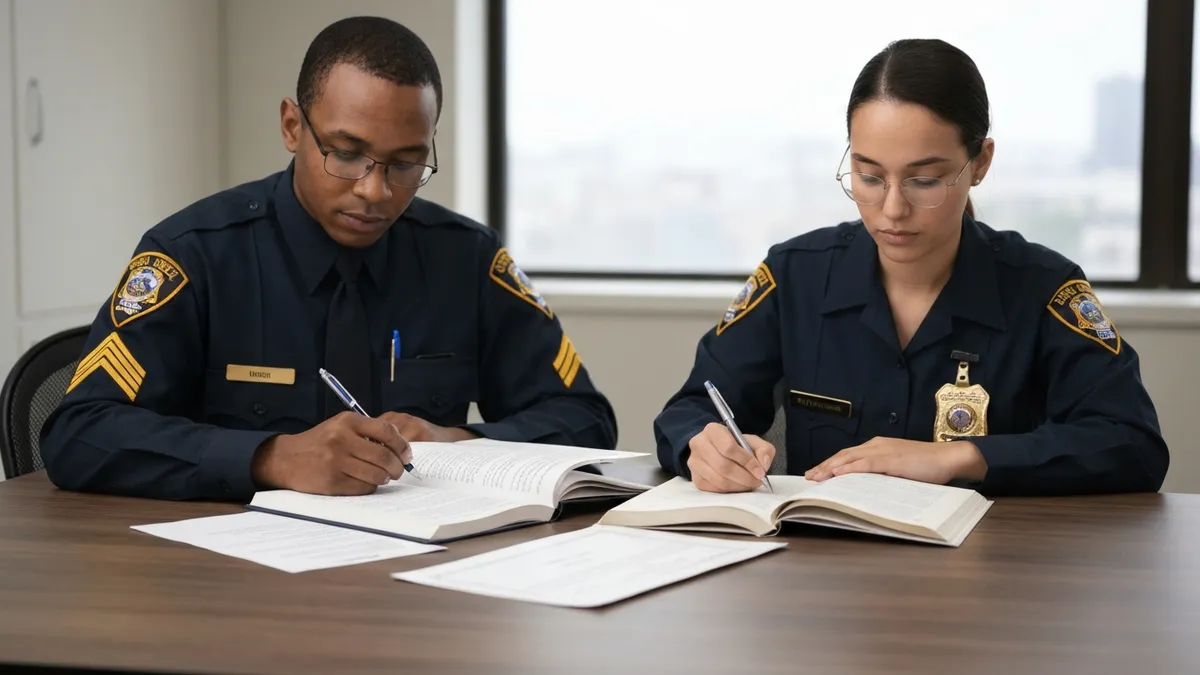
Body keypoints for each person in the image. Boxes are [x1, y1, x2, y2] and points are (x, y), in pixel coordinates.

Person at [39, 16, 617, 501]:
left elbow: (585, 419)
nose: (376, 191)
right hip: (229, 584)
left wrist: (462, 441)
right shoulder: (195, 255)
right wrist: (271, 457)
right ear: (293, 126)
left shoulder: (465, 258)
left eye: (405, 163)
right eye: (346, 154)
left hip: (421, 577)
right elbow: (79, 432)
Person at [653, 38, 1169, 497]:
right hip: (823, 575)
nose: (893, 209)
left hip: (991, 577)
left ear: (981, 163)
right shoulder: (795, 276)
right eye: (869, 176)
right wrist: (704, 445)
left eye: (924, 180)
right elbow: (689, 410)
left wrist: (961, 458)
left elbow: (1132, 443)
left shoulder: (1043, 288)